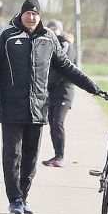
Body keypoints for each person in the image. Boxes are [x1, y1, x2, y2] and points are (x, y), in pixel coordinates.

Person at [0, 0, 104, 214]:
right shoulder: (7, 35)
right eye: (27, 14)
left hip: (38, 107)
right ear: (21, 15)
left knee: (31, 157)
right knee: (13, 155)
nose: (31, 17)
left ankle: (24, 197)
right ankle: (14, 199)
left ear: (39, 17)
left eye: (35, 14)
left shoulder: (48, 37)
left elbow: (66, 67)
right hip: (11, 107)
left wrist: (91, 86)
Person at [40, 19, 76, 168]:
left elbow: (64, 70)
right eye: (50, 29)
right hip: (50, 93)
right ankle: (56, 155)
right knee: (52, 124)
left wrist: (48, 83)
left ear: (60, 31)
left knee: (58, 122)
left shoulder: (66, 46)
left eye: (55, 29)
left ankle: (60, 156)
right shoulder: (45, 46)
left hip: (64, 92)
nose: (52, 31)